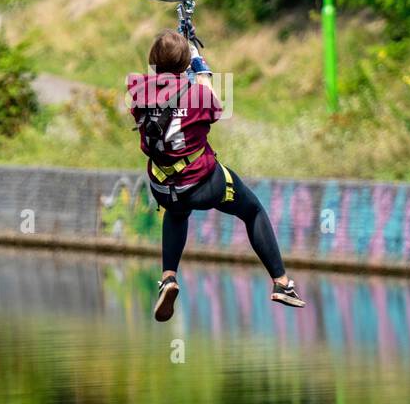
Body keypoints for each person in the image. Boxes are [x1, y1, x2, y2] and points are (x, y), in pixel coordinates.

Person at [126, 28, 305, 321]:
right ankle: (281, 282)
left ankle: (169, 277)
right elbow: (210, 99)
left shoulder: (137, 92)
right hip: (202, 182)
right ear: (182, 64)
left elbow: (164, 86)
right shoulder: (197, 94)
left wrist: (180, 58)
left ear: (153, 63)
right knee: (252, 210)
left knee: (176, 211)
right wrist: (197, 62)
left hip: (164, 186)